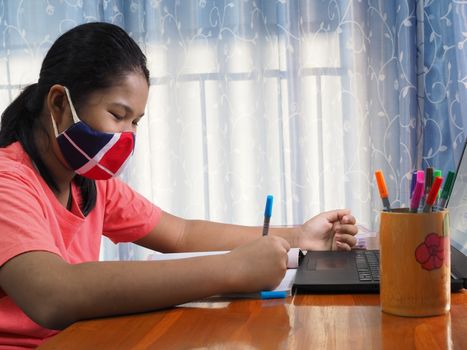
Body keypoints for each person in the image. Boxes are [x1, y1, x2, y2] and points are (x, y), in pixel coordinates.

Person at [0, 22, 358, 348]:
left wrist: (300, 236)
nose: (127, 136)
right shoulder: (7, 180)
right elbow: (53, 295)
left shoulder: (90, 183)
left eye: (136, 122)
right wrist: (231, 269)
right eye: (117, 115)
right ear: (60, 103)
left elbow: (181, 234)